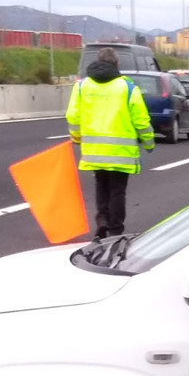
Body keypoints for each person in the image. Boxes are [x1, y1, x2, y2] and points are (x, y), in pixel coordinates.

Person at [65, 47, 154, 239]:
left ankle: (102, 220)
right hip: (121, 152)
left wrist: (76, 138)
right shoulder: (127, 88)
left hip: (94, 150)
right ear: (117, 64)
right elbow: (141, 120)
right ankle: (115, 229)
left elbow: (73, 116)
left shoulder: (82, 86)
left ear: (98, 61)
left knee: (101, 185)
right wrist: (148, 143)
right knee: (117, 190)